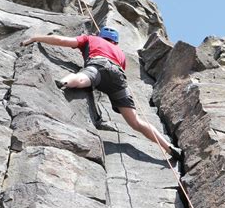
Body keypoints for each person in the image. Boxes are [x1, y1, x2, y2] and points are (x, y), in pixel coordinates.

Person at [20, 26, 182, 160]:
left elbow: (63, 40)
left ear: (100, 35)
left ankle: (65, 82)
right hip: (118, 76)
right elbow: (118, 70)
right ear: (115, 41)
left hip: (99, 64)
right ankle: (168, 148)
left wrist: (36, 38)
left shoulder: (90, 39)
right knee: (135, 122)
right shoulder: (120, 53)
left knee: (82, 78)